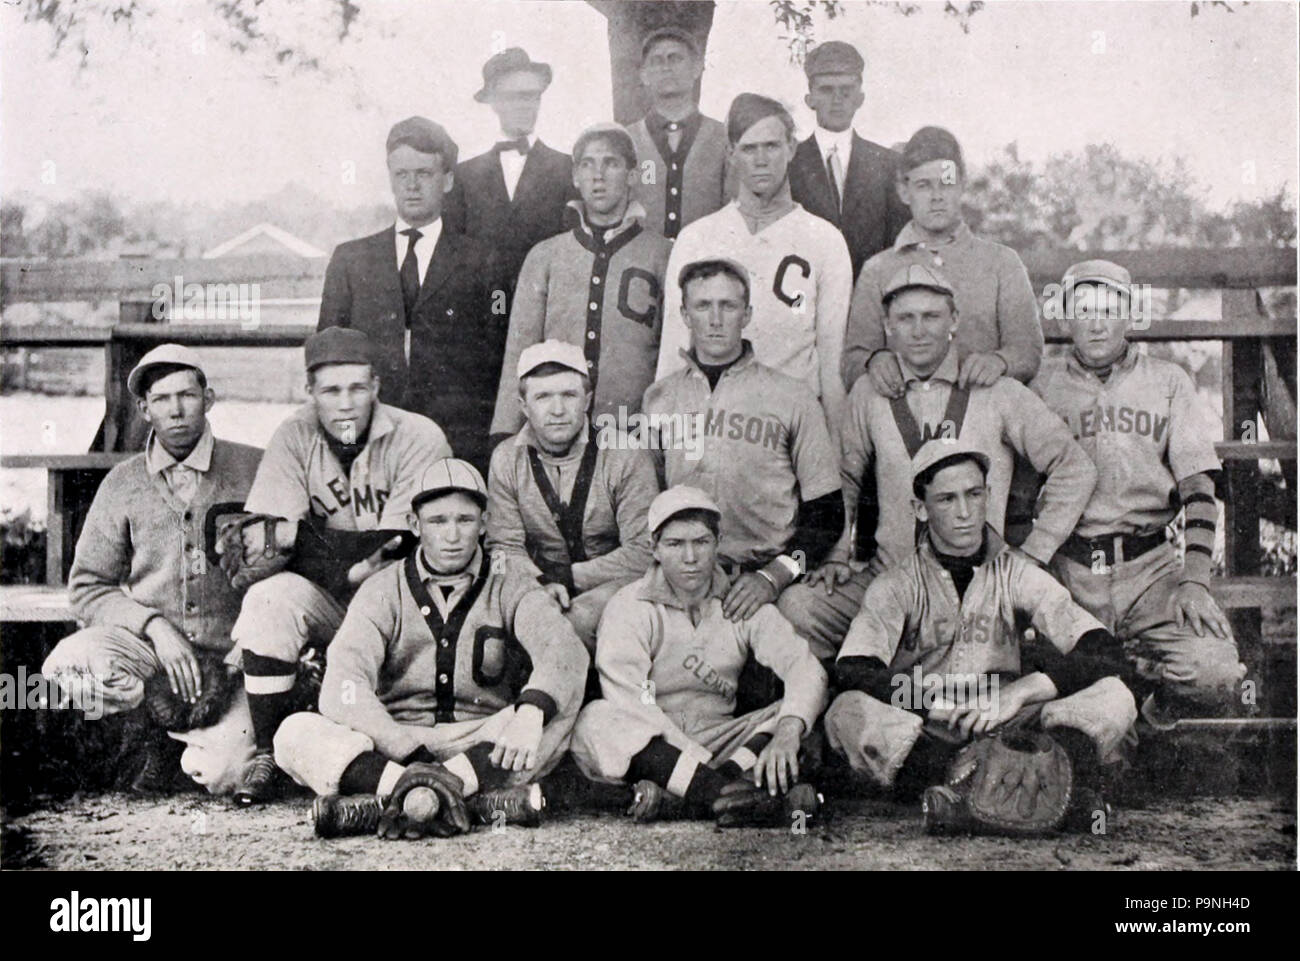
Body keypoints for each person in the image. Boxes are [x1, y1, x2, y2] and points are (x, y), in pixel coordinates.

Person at [780, 264, 1095, 660]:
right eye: (905, 318)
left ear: (954, 320)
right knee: (798, 607)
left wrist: (1034, 553)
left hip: (979, 586)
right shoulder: (869, 391)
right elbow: (845, 477)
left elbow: (1075, 466)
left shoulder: (995, 388)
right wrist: (837, 555)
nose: (919, 330)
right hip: (889, 578)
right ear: (887, 325)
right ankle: (849, 689)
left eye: (931, 316)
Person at [824, 440, 1138, 826]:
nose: (964, 512)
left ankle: (985, 796)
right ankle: (1029, 793)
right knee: (846, 711)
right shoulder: (896, 585)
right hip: (931, 730)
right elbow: (854, 669)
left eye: (974, 494)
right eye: (946, 500)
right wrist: (928, 704)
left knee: (1115, 695)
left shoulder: (1017, 573)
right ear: (919, 509)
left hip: (1007, 726)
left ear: (988, 495)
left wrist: (1021, 692)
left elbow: (1103, 649)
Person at [273, 459, 589, 840]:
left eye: (465, 520)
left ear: (484, 524)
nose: (452, 535)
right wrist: (408, 755)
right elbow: (344, 683)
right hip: (396, 743)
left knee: (555, 711)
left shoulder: (510, 582)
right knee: (294, 733)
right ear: (414, 525)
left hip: (482, 743)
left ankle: (392, 802)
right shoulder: (382, 589)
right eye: (438, 521)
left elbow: (564, 651)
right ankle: (466, 802)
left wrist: (531, 711)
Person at [223, 328, 451, 805]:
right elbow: (265, 547)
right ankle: (267, 750)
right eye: (330, 390)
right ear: (310, 392)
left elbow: (400, 544)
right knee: (270, 597)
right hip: (338, 596)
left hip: (404, 603)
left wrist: (300, 537)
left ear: (377, 387)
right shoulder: (293, 434)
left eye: (357, 387)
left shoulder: (417, 435)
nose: (345, 402)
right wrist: (341, 566)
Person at [1032, 259, 1247, 727]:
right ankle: (1118, 712)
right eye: (1083, 308)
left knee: (1215, 671)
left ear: (1129, 314)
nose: (1096, 320)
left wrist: (1193, 580)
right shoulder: (1039, 385)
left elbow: (1198, 488)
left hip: (1150, 567)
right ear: (1065, 316)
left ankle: (1151, 713)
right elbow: (1017, 492)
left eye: (1109, 308)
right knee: (1043, 679)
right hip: (1069, 567)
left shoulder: (1168, 382)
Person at [42, 345, 262, 794]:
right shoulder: (123, 481)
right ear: (144, 409)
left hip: (233, 657)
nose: (177, 410)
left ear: (210, 398)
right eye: (162, 399)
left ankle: (209, 743)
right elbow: (87, 587)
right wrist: (155, 627)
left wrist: (253, 646)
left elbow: (289, 566)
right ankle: (156, 733)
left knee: (227, 775)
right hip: (152, 655)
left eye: (188, 395)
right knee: (67, 664)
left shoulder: (254, 468)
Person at [570, 486, 828, 826]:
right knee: (596, 720)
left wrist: (787, 733)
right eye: (675, 544)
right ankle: (736, 796)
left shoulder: (740, 600)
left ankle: (691, 799)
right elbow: (632, 700)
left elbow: (805, 669)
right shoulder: (630, 605)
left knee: (800, 715)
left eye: (701, 542)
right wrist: (696, 762)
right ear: (655, 549)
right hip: (655, 743)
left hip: (722, 740)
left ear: (718, 543)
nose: (690, 558)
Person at [643, 258, 843, 626]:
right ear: (685, 315)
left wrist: (773, 577)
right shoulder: (660, 398)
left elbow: (828, 516)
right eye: (703, 306)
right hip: (683, 575)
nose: (715, 319)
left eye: (728, 306)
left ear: (747, 314)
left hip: (760, 577)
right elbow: (647, 502)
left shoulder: (792, 397)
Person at [655, 94, 854, 435]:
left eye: (772, 146)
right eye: (748, 149)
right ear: (731, 154)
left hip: (791, 428)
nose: (761, 160)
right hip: (711, 425)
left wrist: (835, 461)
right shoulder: (697, 238)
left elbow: (832, 366)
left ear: (792, 148)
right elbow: (673, 358)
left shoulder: (825, 240)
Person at [317, 116, 500, 471]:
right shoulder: (351, 260)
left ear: (447, 180)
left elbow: (495, 361)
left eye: (424, 174)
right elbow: (326, 359)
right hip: (365, 448)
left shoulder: (483, 260)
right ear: (390, 178)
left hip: (454, 446)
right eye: (402, 175)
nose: (412, 186)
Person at [490, 123, 671, 441]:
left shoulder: (662, 254)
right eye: (587, 164)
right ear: (575, 177)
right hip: (555, 436)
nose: (597, 175)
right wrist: (504, 433)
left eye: (611, 163)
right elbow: (519, 352)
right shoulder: (545, 255)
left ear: (631, 174)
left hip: (632, 435)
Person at [842, 126, 1043, 396]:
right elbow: (854, 359)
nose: (937, 196)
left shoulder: (1001, 263)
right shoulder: (878, 269)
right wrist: (874, 361)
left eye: (946, 183)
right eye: (923, 185)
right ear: (904, 191)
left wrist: (1000, 361)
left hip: (982, 413)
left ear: (962, 186)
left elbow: (1026, 350)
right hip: (904, 420)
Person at [487, 341, 659, 650]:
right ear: (523, 405)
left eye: (569, 395)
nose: (557, 410)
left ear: (588, 400)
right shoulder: (506, 458)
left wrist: (568, 577)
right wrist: (539, 584)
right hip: (541, 585)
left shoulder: (624, 453)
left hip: (615, 585)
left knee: (570, 624)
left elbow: (645, 551)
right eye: (543, 397)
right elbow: (502, 547)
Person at [443, 47, 577, 301]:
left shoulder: (568, 169)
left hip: (545, 310)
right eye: (515, 97)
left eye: (533, 96)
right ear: (494, 102)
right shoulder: (463, 176)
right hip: (479, 318)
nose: (526, 106)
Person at [788, 40, 909, 280]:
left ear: (860, 98)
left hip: (869, 297)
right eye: (826, 90)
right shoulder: (788, 163)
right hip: (803, 296)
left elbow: (898, 245)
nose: (837, 100)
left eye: (846, 90)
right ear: (809, 99)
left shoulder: (888, 164)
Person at [625, 26, 731, 240]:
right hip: (640, 267)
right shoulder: (625, 140)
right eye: (656, 60)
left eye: (675, 58)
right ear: (643, 75)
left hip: (705, 263)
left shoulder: (724, 138)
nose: (666, 67)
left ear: (697, 68)